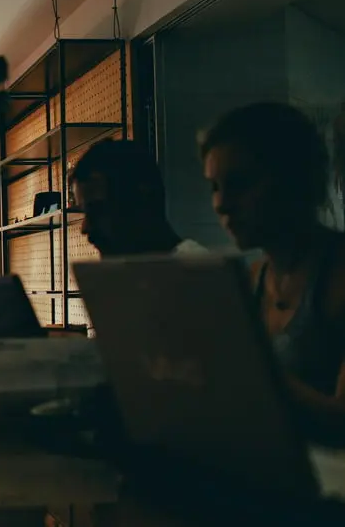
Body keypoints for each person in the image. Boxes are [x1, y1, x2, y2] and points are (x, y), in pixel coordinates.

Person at [201, 102, 345, 440]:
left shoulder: (337, 275)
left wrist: (249, 372)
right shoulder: (251, 280)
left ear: (294, 179)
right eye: (215, 187)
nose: (222, 204)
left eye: (239, 183)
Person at [69, 139, 207, 257]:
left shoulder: (201, 276)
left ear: (142, 202)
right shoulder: (133, 279)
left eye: (97, 210)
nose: (85, 228)